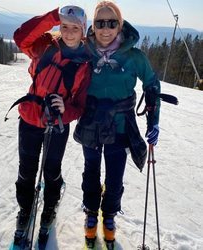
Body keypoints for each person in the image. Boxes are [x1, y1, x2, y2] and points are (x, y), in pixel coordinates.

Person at [73, 0, 161, 245]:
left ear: (120, 25)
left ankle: (109, 214)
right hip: (90, 119)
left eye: (112, 23)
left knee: (114, 175)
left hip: (121, 123)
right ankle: (91, 212)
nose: (105, 28)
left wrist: (153, 122)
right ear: (93, 25)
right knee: (91, 169)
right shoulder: (84, 51)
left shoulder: (134, 57)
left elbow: (151, 85)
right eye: (100, 22)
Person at [12, 5, 90, 244]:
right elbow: (20, 37)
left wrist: (66, 111)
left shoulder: (85, 64)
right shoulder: (45, 44)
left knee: (51, 170)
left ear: (83, 31)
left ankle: (49, 208)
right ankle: (25, 209)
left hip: (57, 124)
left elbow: (80, 104)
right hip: (29, 119)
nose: (68, 32)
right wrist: (52, 17)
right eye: (64, 26)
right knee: (26, 170)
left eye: (74, 28)